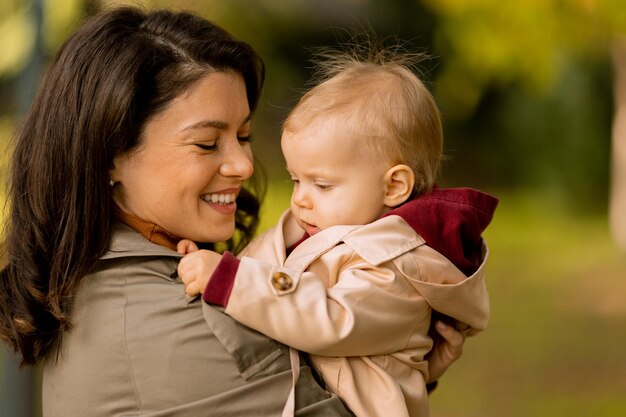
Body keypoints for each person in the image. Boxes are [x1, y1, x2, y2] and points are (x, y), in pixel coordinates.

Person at [0, 6, 464, 417]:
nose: (244, 165)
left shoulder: (121, 274)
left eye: (243, 135)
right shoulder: (175, 323)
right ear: (111, 155)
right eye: (207, 143)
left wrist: (399, 359)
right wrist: (405, 370)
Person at [177, 50, 498, 417]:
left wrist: (229, 279)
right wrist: (202, 259)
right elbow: (272, 263)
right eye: (296, 180)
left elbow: (330, 319)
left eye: (323, 185)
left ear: (394, 186)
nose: (300, 199)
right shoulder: (326, 227)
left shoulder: (398, 268)